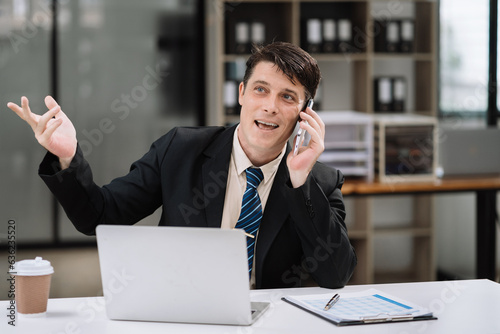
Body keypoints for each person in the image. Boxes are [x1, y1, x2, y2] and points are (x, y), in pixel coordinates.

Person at [7, 41, 356, 289]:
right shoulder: (182, 149)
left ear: (305, 112)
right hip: (181, 312)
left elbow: (335, 276)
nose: (270, 107)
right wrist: (67, 156)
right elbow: (99, 215)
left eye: (287, 97)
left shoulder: (320, 182)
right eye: (261, 90)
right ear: (241, 94)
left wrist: (299, 182)